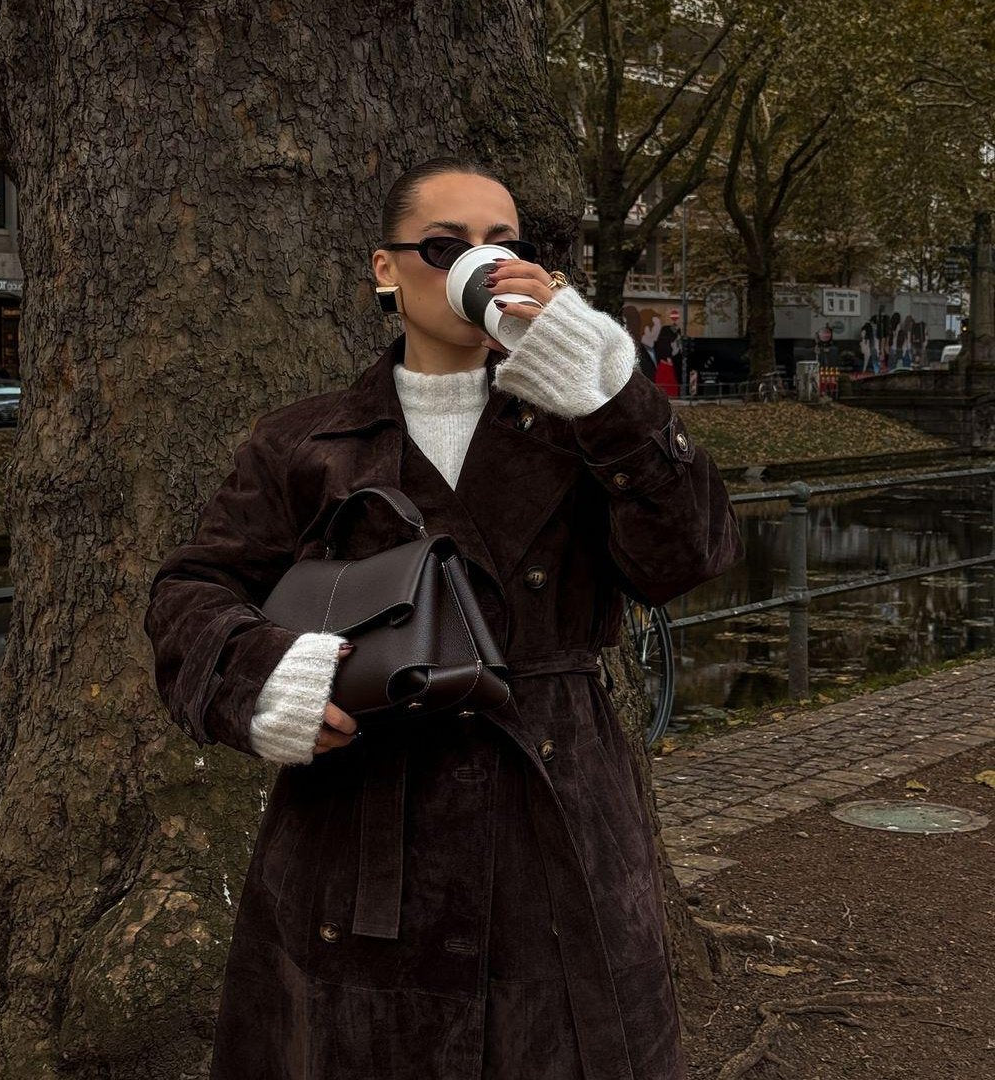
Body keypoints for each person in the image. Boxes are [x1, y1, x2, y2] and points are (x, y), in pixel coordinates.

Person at [144, 156, 744, 1080]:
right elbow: (193, 589)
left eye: (505, 247)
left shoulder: (582, 422)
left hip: (555, 810)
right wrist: (261, 673)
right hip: (361, 826)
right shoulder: (303, 440)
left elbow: (686, 561)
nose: (482, 268)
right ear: (386, 270)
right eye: (445, 246)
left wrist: (610, 401)